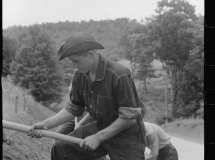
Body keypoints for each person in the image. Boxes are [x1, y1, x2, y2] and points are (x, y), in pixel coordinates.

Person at [27, 32, 146, 160]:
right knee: (61, 148)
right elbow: (74, 107)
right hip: (101, 126)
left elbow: (129, 118)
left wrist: (98, 137)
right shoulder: (80, 75)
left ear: (90, 54)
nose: (74, 67)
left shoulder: (119, 75)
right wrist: (46, 124)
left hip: (126, 134)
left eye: (76, 61)